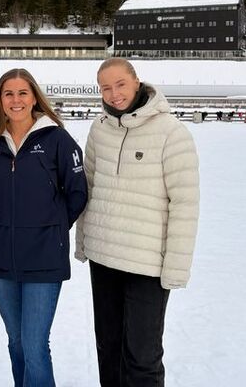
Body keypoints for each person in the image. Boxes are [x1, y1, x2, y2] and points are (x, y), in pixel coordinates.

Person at [76, 58, 199, 387]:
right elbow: (88, 188)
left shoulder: (171, 132)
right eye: (105, 88)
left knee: (142, 356)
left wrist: (176, 267)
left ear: (136, 82)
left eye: (120, 85)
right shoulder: (99, 129)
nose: (113, 94)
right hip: (103, 259)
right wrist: (83, 242)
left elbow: (185, 205)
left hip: (147, 265)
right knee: (109, 348)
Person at [0, 69, 87, 387]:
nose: (16, 100)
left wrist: (51, 228)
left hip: (43, 260)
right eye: (8, 93)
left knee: (35, 345)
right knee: (16, 341)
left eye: (22, 92)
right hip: (1, 258)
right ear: (0, 99)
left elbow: (77, 191)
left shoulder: (57, 139)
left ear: (35, 96)